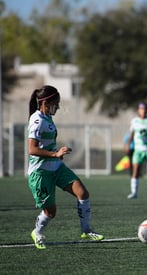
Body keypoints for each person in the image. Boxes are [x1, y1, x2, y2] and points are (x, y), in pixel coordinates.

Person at [27, 85, 104, 250]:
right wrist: (55, 154)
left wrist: (57, 154)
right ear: (46, 102)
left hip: (56, 167)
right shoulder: (37, 121)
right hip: (40, 173)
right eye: (56, 103)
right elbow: (32, 149)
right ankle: (37, 233)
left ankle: (86, 230)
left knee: (82, 193)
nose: (59, 107)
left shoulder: (47, 117)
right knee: (51, 212)